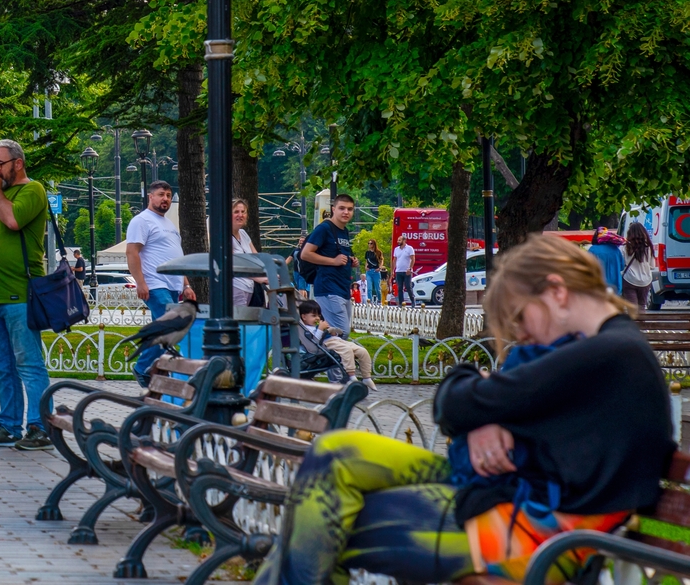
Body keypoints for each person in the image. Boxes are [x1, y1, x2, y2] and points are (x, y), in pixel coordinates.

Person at [254, 235, 674, 585]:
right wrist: (489, 417)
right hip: (516, 502)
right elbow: (465, 400)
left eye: (522, 317)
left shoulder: (606, 354)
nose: (522, 333)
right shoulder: (605, 348)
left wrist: (486, 412)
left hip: (540, 535)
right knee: (336, 453)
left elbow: (460, 400)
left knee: (325, 522)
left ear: (557, 292)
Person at [0, 139, 53, 452]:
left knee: (28, 364)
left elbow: (14, 221)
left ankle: (40, 427)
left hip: (18, 293)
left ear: (17, 163)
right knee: (3, 365)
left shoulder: (32, 190)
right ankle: (8, 424)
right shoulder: (2, 195)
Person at [125, 181, 188, 380]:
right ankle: (143, 368)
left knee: (162, 331)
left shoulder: (169, 224)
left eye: (168, 195)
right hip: (155, 284)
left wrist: (186, 284)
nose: (165, 199)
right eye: (161, 194)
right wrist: (141, 283)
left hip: (173, 286)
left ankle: (155, 372)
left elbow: (178, 257)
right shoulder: (141, 221)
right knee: (172, 328)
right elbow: (132, 252)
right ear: (150, 197)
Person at [301, 194, 358, 333]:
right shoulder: (324, 229)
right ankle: (319, 351)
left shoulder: (344, 231)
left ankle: (325, 352)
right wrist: (333, 261)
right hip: (328, 288)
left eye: (349, 209)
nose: (346, 212)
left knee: (338, 332)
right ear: (333, 209)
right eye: (342, 208)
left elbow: (338, 254)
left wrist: (351, 261)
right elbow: (306, 254)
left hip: (343, 288)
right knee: (341, 332)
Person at [297, 298, 374, 389]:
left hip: (337, 340)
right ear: (304, 317)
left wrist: (333, 332)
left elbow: (331, 334)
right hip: (326, 344)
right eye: (313, 316)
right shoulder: (305, 329)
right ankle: (351, 375)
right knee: (347, 350)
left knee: (361, 351)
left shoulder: (317, 325)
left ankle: (367, 377)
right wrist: (321, 329)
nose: (317, 318)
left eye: (318, 315)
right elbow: (315, 341)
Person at [232, 199, 266, 310]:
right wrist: (259, 279)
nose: (240, 215)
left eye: (243, 212)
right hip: (235, 287)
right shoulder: (224, 237)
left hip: (249, 288)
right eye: (236, 212)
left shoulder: (243, 234)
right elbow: (233, 265)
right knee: (240, 322)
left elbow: (256, 258)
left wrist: (270, 272)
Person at [622, 224, 656, 309]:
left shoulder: (625, 248)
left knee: (632, 307)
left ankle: (634, 322)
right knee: (642, 305)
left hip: (629, 280)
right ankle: (642, 322)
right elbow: (652, 266)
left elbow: (622, 265)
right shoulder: (649, 248)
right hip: (645, 281)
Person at [587, 227, 626, 294]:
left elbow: (587, 267)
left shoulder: (592, 250)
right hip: (615, 287)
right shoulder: (616, 250)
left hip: (598, 287)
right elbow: (622, 266)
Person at [393, 234, 416, 305]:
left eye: (399, 240)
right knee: (399, 288)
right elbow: (394, 260)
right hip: (398, 271)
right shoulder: (396, 249)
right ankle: (401, 303)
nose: (398, 241)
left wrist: (410, 268)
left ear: (404, 240)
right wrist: (393, 270)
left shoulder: (409, 248)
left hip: (407, 271)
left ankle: (412, 300)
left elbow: (413, 259)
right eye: (398, 240)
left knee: (408, 287)